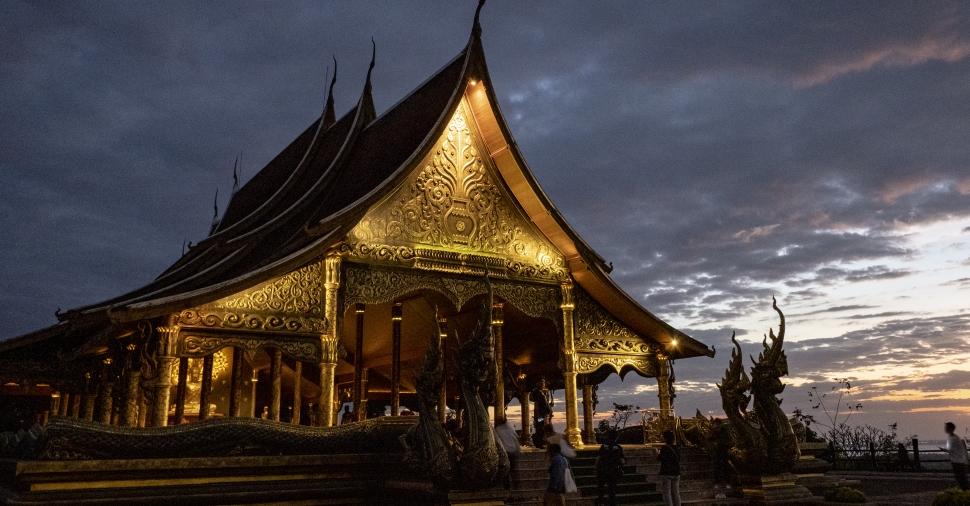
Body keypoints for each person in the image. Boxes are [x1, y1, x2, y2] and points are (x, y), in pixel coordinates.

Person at [595, 429, 625, 505]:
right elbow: (622, 461)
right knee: (612, 490)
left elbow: (598, 458)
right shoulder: (618, 447)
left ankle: (600, 502)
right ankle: (611, 503)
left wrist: (596, 468)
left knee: (601, 489)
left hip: (603, 470)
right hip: (613, 470)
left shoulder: (604, 446)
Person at [495, 418, 521, 489]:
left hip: (506, 453)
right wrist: (518, 450)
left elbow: (497, 442)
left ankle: (507, 487)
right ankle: (516, 486)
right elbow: (516, 439)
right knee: (513, 470)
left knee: (506, 471)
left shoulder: (498, 429)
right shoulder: (510, 428)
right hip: (513, 452)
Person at [943, 422, 969, 490]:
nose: (945, 428)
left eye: (946, 427)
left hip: (958, 461)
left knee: (961, 479)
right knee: (961, 478)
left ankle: (965, 493)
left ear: (950, 428)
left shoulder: (953, 438)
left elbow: (951, 450)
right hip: (958, 460)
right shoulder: (954, 437)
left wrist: (944, 450)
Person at [658, 430, 681, 506]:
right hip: (676, 472)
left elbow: (660, 458)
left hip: (667, 472)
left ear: (665, 438)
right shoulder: (677, 448)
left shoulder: (664, 448)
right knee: (676, 493)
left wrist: (657, 453)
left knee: (667, 493)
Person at [531, 377, 554, 447]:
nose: (543, 384)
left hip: (545, 415)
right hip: (541, 415)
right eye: (541, 383)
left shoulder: (542, 392)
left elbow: (545, 404)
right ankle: (539, 443)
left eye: (543, 383)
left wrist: (550, 405)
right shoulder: (537, 392)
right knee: (540, 427)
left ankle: (542, 442)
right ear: (538, 384)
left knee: (544, 428)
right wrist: (538, 417)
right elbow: (537, 405)